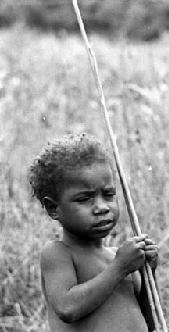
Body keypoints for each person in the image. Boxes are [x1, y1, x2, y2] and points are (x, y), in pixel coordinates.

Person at [28, 133, 159, 332]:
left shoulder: (118, 256)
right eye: (84, 199)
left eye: (108, 195)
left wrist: (148, 272)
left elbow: (150, 321)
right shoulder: (58, 253)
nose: (101, 207)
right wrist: (120, 268)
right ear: (53, 208)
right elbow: (67, 308)